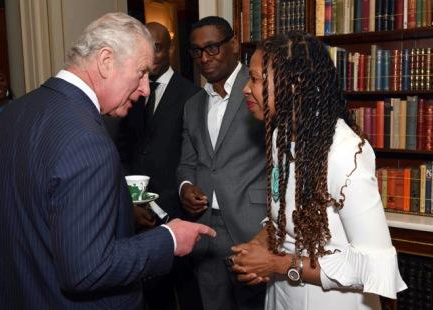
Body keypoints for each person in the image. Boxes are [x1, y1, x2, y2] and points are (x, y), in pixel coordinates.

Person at [0, 13, 215, 309]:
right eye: (142, 72)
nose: (146, 88)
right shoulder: (89, 141)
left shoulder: (13, 114)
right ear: (106, 61)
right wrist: (168, 239)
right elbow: (87, 270)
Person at [229, 31, 407, 309]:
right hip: (283, 296)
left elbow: (372, 266)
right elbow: (282, 218)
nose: (246, 89)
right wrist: (258, 245)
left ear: (295, 84)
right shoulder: (281, 137)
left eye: (255, 79)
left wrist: (278, 264)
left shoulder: (345, 154)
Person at [177, 16, 267, 310]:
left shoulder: (259, 90)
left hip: (253, 228)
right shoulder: (192, 105)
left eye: (212, 48)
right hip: (204, 230)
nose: (204, 58)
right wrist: (185, 187)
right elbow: (187, 162)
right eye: (196, 51)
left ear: (234, 45)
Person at [117, 22, 203, 310]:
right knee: (152, 292)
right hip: (137, 211)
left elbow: (192, 157)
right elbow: (125, 148)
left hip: (176, 211)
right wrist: (133, 201)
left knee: (188, 290)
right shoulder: (130, 90)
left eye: (159, 46)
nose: (153, 54)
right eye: (147, 46)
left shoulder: (191, 94)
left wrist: (163, 205)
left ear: (170, 49)